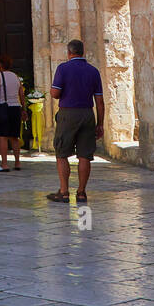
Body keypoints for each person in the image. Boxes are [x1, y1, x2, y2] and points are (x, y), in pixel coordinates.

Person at [47, 39, 104, 203]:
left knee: (62, 152)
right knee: (85, 155)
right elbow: (99, 101)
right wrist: (100, 124)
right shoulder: (93, 71)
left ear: (69, 52)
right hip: (87, 113)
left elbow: (55, 93)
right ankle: (81, 192)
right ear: (83, 52)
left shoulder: (63, 68)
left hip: (68, 114)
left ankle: (64, 191)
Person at [0, 54, 25, 170]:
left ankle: (4, 164)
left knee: (2, 136)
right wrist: (23, 108)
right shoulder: (16, 76)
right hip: (16, 108)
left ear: (0, 64)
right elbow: (21, 94)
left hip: (3, 107)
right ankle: (17, 163)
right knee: (15, 137)